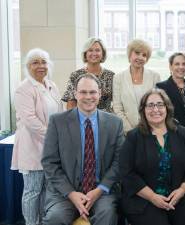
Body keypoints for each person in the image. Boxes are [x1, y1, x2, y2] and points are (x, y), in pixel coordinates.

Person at [41, 74, 124, 225]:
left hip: (102, 191)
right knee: (56, 218)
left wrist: (100, 189)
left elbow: (120, 162)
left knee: (107, 215)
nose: (88, 97)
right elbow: (49, 162)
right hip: (65, 192)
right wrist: (71, 194)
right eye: (83, 92)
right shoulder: (57, 122)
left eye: (92, 92)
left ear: (99, 93)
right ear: (75, 94)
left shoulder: (115, 123)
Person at [120, 88, 185, 225]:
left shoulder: (181, 132)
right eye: (150, 105)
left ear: (167, 108)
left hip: (181, 197)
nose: (155, 109)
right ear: (143, 110)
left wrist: (182, 190)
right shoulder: (133, 137)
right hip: (145, 200)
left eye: (160, 104)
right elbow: (126, 172)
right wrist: (152, 197)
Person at [11, 48, 63, 225]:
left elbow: (59, 114)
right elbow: (30, 120)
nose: (40, 66)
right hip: (32, 146)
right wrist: (52, 136)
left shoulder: (51, 85)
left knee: (47, 190)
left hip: (50, 147)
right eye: (35, 62)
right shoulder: (23, 89)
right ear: (28, 66)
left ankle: (43, 222)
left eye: (43, 62)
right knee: (33, 190)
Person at [156, 52, 185, 152]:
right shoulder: (161, 87)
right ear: (170, 67)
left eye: (184, 64)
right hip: (171, 140)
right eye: (177, 64)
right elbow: (160, 117)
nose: (181, 67)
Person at [113, 39, 161, 133]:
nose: (140, 57)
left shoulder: (155, 76)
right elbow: (117, 108)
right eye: (137, 53)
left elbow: (158, 105)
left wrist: (150, 128)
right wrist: (131, 131)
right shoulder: (118, 78)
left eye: (144, 55)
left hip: (151, 130)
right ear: (130, 54)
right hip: (127, 132)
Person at [62, 37, 114, 112]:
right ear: (85, 53)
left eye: (97, 50)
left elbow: (117, 103)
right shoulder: (75, 75)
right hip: (82, 120)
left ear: (103, 53)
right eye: (90, 50)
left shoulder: (111, 76)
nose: (94, 53)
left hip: (106, 120)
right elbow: (71, 104)